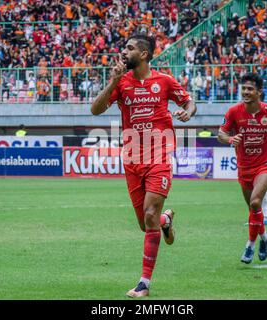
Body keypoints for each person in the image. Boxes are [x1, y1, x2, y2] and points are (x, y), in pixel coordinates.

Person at [91, 34, 197, 298]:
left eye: (129, 48)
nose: (123, 52)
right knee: (145, 223)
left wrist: (188, 112)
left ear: (145, 54)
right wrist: (113, 81)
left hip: (159, 154)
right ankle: (166, 220)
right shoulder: (122, 82)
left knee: (148, 214)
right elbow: (95, 110)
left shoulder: (164, 81)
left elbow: (188, 101)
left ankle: (144, 284)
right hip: (132, 159)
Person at [218, 73, 267, 264]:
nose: (246, 92)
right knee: (253, 208)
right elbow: (221, 134)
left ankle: (250, 244)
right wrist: (230, 139)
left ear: (259, 92)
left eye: (250, 89)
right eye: (244, 88)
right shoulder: (234, 112)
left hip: (266, 163)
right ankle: (265, 237)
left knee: (256, 202)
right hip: (244, 166)